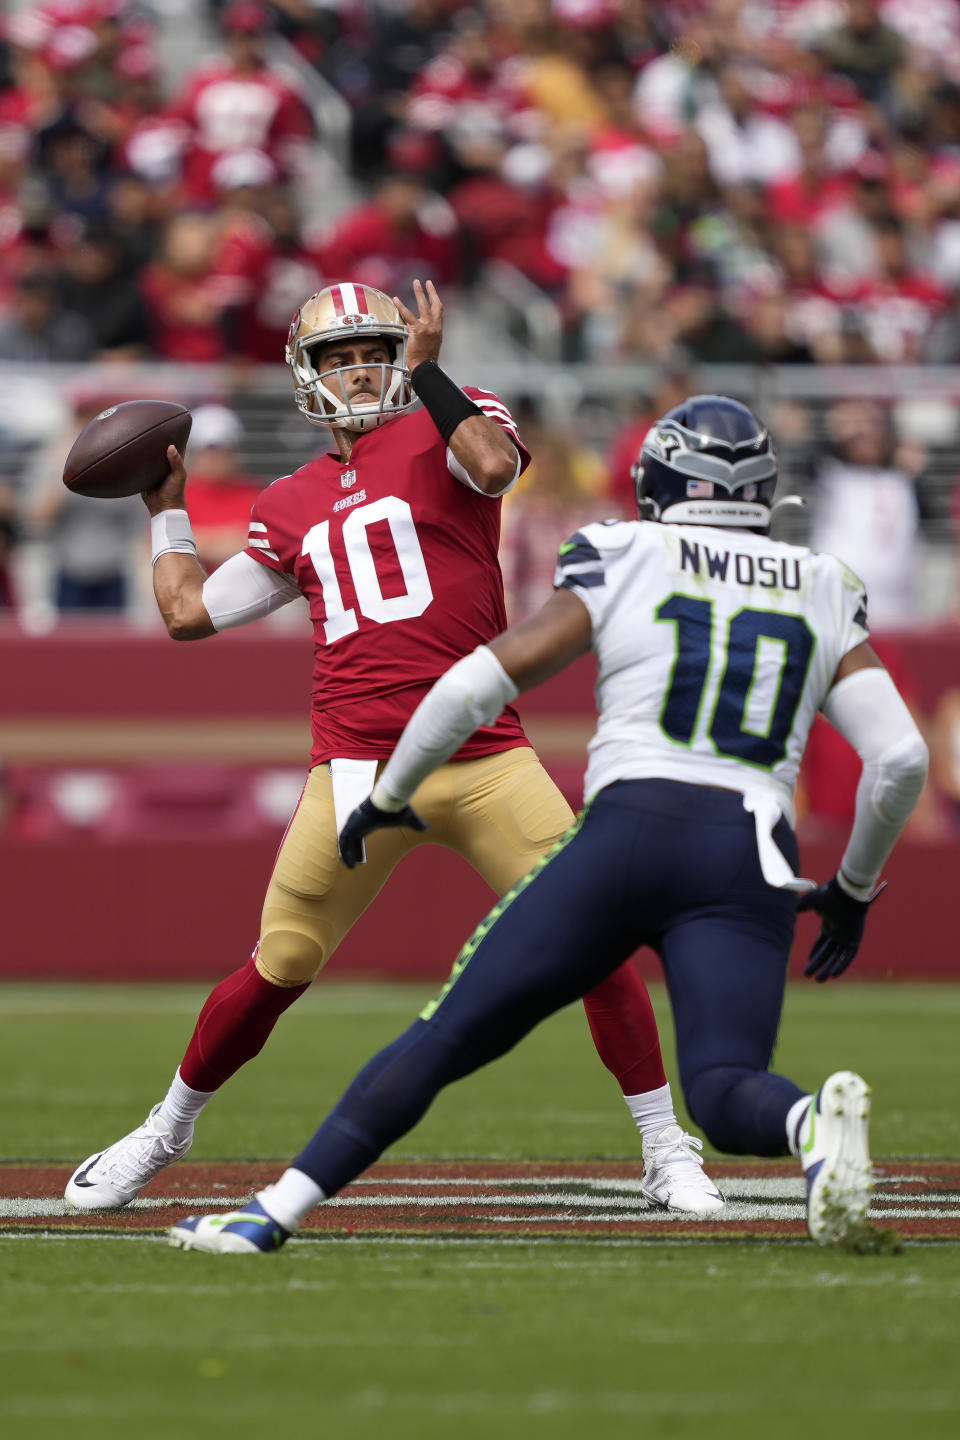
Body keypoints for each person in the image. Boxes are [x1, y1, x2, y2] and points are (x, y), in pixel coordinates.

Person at [166, 395, 929, 1255]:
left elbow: (470, 687)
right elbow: (900, 761)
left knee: (446, 1035)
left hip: (630, 832)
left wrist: (391, 794)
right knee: (722, 1089)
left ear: (657, 478)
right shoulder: (826, 581)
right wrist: (854, 891)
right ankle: (810, 1128)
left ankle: (273, 1215)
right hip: (750, 848)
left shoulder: (624, 550)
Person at [65, 281, 721, 1218]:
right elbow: (187, 615)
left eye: (373, 351)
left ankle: (667, 1148)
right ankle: (164, 1131)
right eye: (339, 357)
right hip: (358, 770)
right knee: (280, 963)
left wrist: (430, 371)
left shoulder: (449, 426)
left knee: (598, 943)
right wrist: (164, 507)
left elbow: (494, 467)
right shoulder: (288, 501)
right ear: (307, 373)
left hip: (484, 756)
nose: (360, 368)